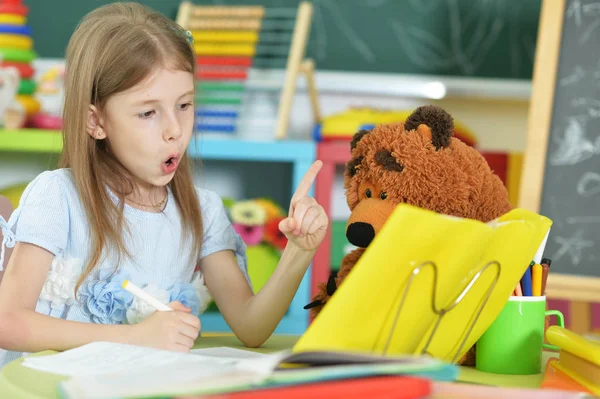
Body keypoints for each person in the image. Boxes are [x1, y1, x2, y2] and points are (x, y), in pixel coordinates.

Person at [0, 2, 327, 367]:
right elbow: (8, 322)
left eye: (184, 105)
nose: (174, 130)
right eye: (148, 112)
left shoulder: (203, 211)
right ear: (96, 121)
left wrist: (299, 250)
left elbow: (252, 327)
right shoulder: (57, 197)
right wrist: (132, 338)